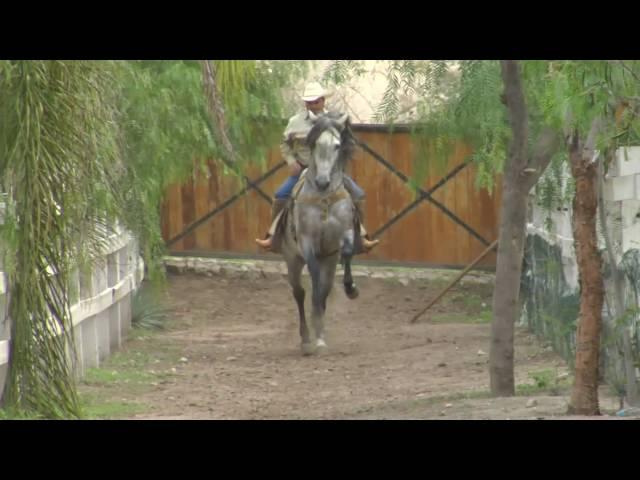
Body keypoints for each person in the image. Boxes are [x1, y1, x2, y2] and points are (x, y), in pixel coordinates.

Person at [255, 81, 379, 252]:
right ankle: (273, 237)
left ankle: (360, 237)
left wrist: (339, 164)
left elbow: (347, 146)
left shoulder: (337, 121)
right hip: (303, 171)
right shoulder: (295, 122)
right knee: (280, 195)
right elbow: (285, 145)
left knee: (358, 194)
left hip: (332, 173)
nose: (312, 105)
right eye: (308, 102)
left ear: (323, 101)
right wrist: (291, 161)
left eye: (315, 101)